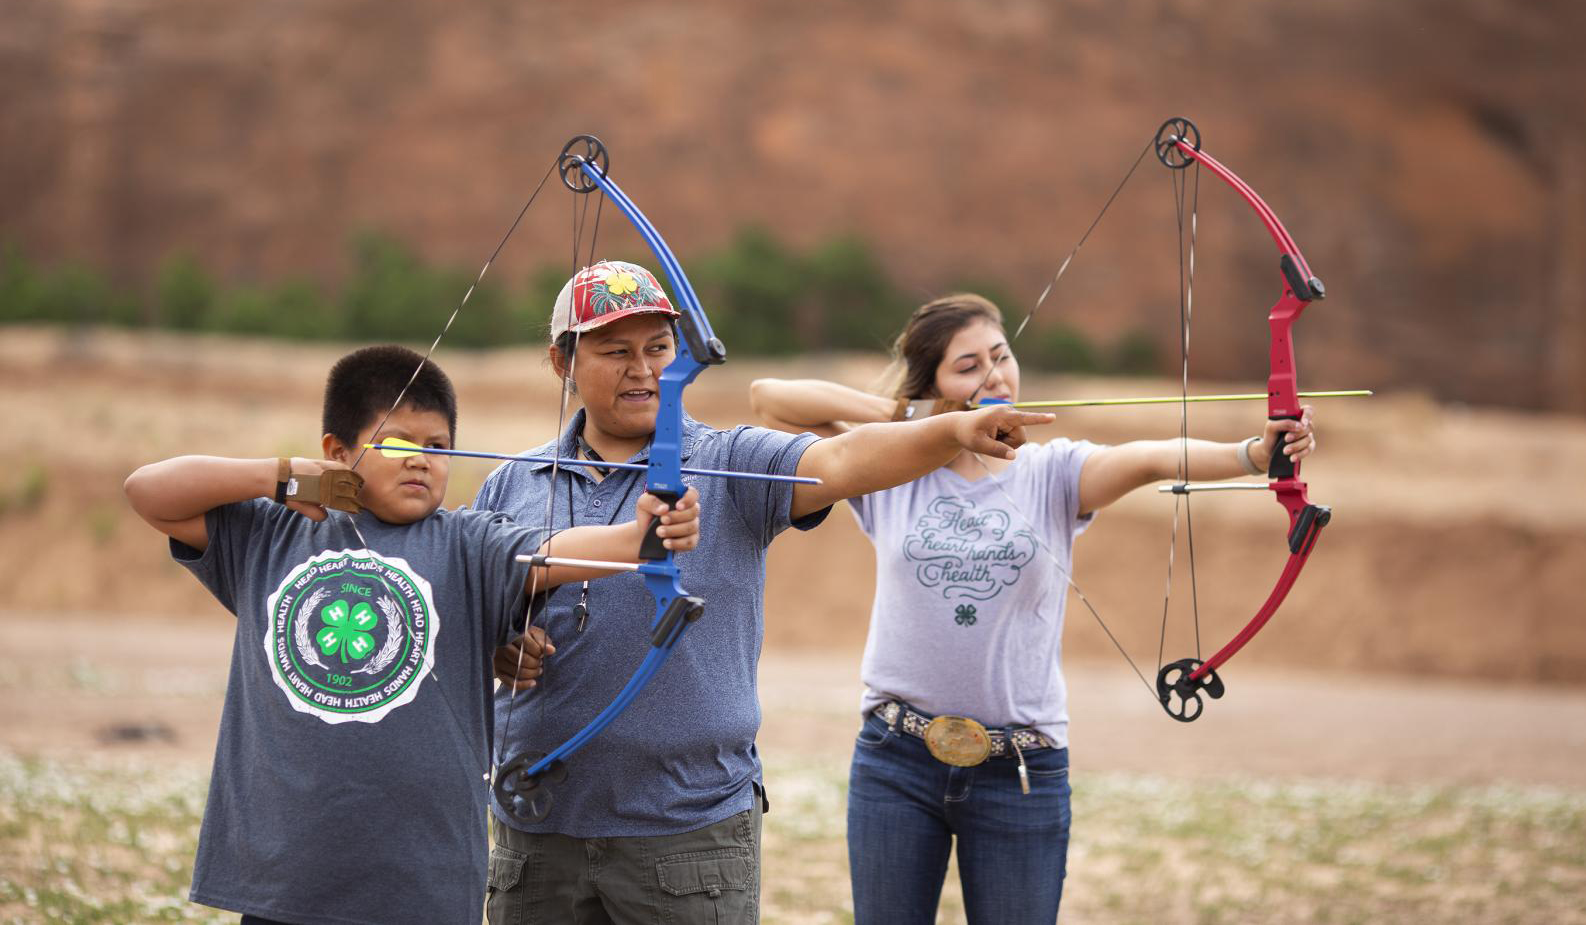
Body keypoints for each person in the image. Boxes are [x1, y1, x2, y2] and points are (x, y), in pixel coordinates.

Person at [477, 261, 1050, 924]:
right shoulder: (509, 484)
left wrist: (949, 431)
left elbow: (840, 461)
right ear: (561, 361)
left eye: (659, 348)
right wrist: (503, 645)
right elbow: (481, 608)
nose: (643, 369)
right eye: (615, 351)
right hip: (537, 829)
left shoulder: (731, 460)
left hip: (686, 836)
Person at [748, 292, 1318, 925]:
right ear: (932, 382)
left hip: (1020, 768)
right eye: (967, 367)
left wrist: (1254, 455)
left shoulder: (1054, 470)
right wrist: (906, 415)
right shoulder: (888, 468)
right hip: (896, 759)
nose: (994, 376)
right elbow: (770, 398)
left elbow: (1153, 456)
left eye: (1001, 356)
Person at [123, 344, 701, 925]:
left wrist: (642, 537)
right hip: (289, 876)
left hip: (422, 880)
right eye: (399, 442)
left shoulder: (468, 543)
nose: (422, 460)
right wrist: (281, 478)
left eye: (438, 447)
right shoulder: (271, 534)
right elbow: (147, 490)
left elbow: (549, 552)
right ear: (337, 452)